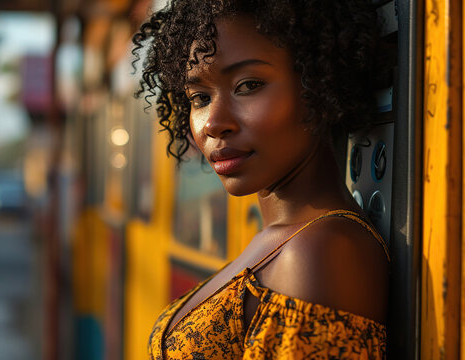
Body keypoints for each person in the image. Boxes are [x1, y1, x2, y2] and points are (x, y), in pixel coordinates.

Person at [132, 0, 390, 358]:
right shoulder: (285, 240)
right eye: (200, 97)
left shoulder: (319, 254)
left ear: (318, 82)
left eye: (249, 84)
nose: (213, 122)